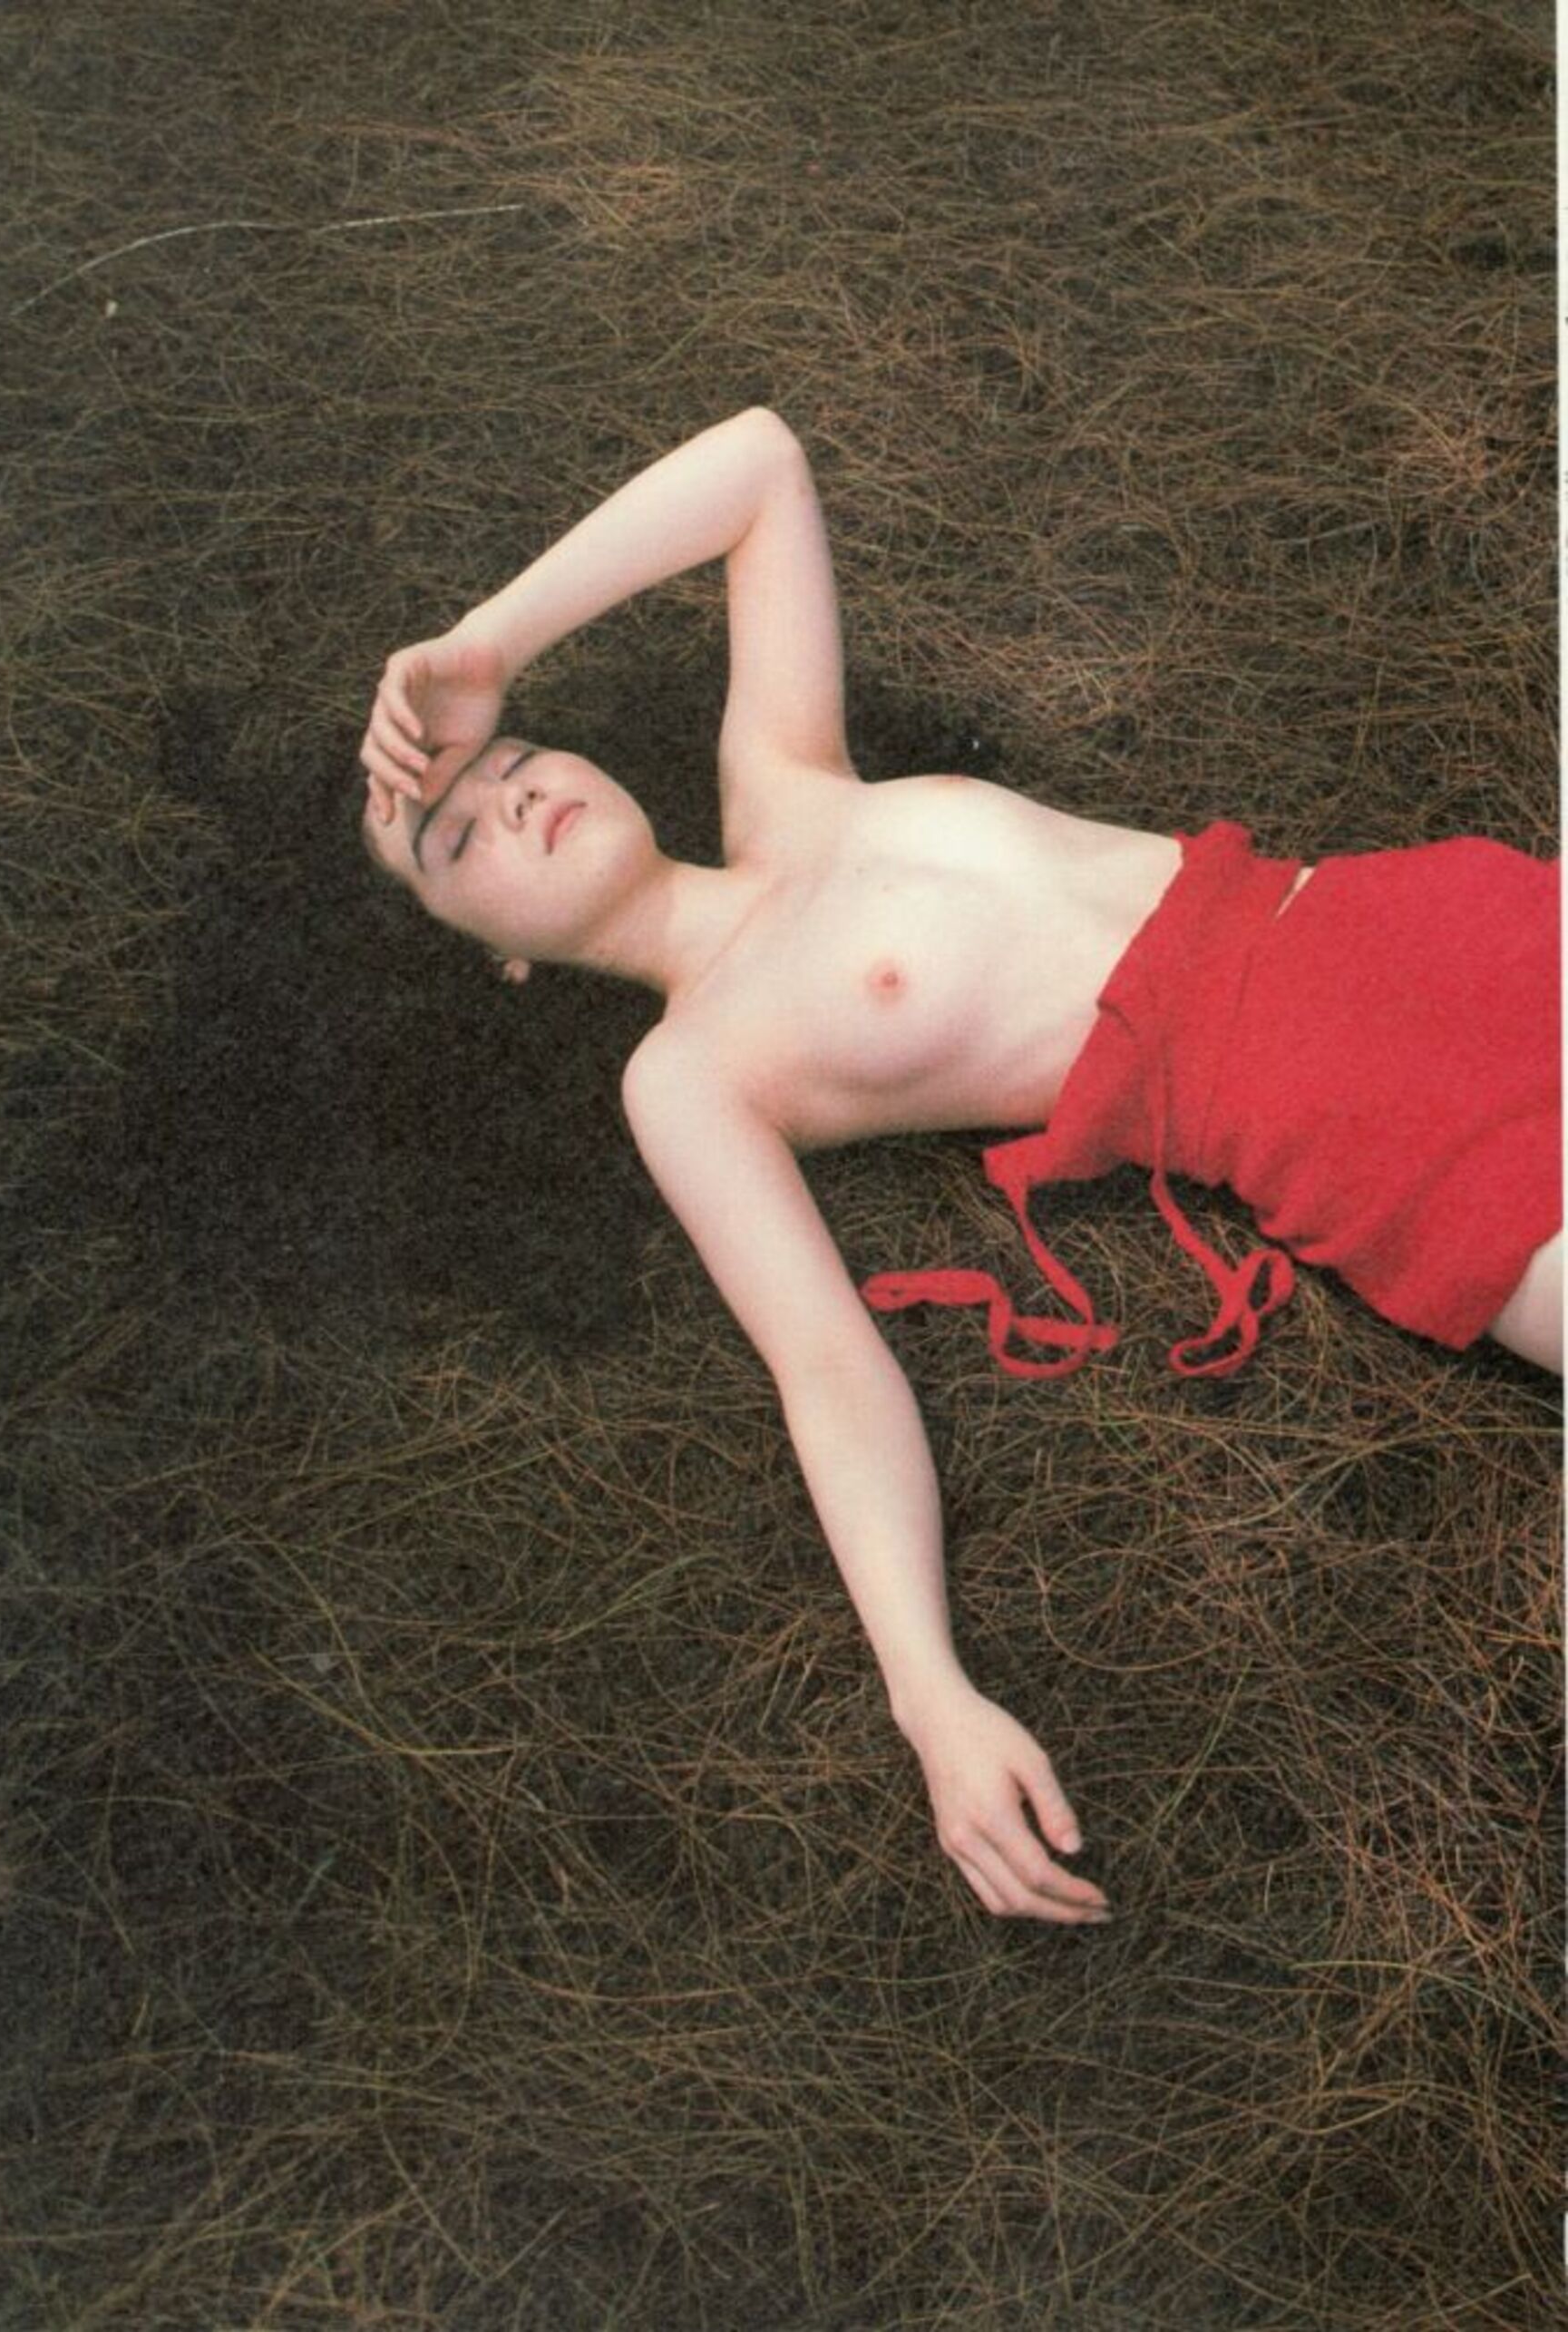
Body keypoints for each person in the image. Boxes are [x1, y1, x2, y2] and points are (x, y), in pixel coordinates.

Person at [356, 408, 1562, 1929]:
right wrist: (929, 1695)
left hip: (1383, 921)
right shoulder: (692, 1074)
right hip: (1326, 1117)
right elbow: (825, 1366)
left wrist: (489, 639)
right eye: (458, 839)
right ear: (499, 963)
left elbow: (759, 464)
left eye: (515, 756)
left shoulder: (784, 781)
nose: (513, 794)